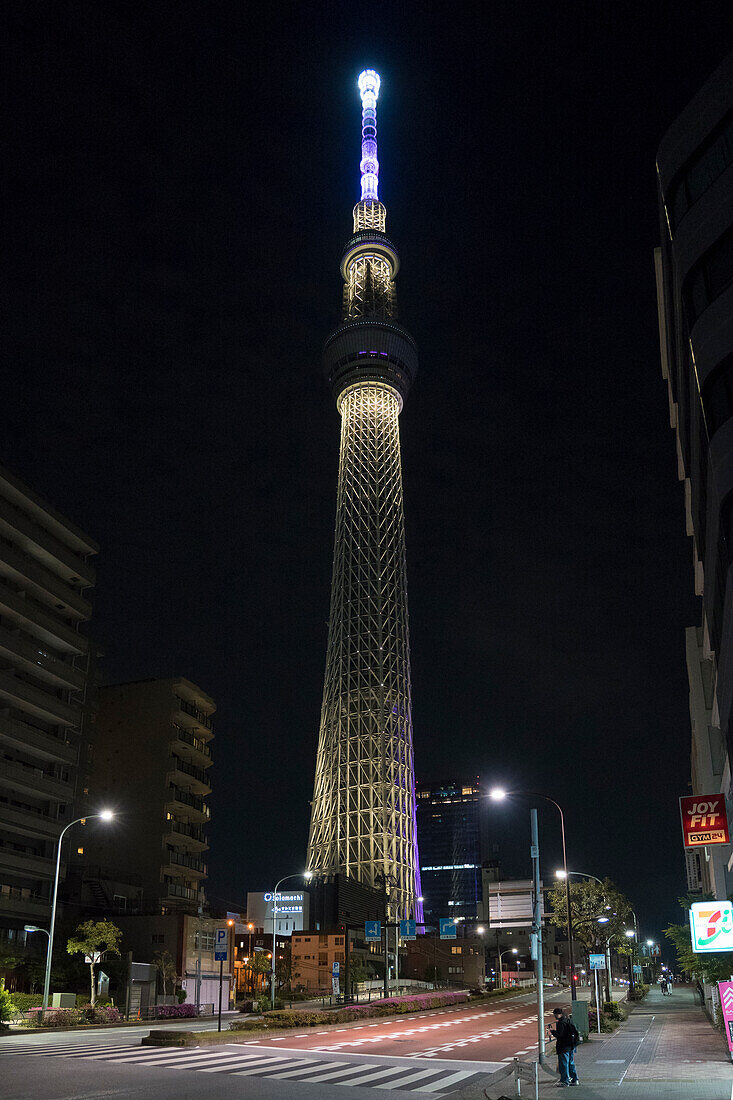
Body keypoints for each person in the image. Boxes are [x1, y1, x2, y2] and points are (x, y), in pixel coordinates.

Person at [549, 1006, 580, 1087]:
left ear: (557, 1014)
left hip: (564, 1046)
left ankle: (565, 1081)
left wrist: (553, 1032)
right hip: (571, 1045)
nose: (555, 1016)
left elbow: (560, 1035)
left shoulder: (561, 1023)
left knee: (564, 1064)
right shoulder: (568, 1020)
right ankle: (575, 1079)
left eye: (555, 1015)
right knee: (571, 1063)